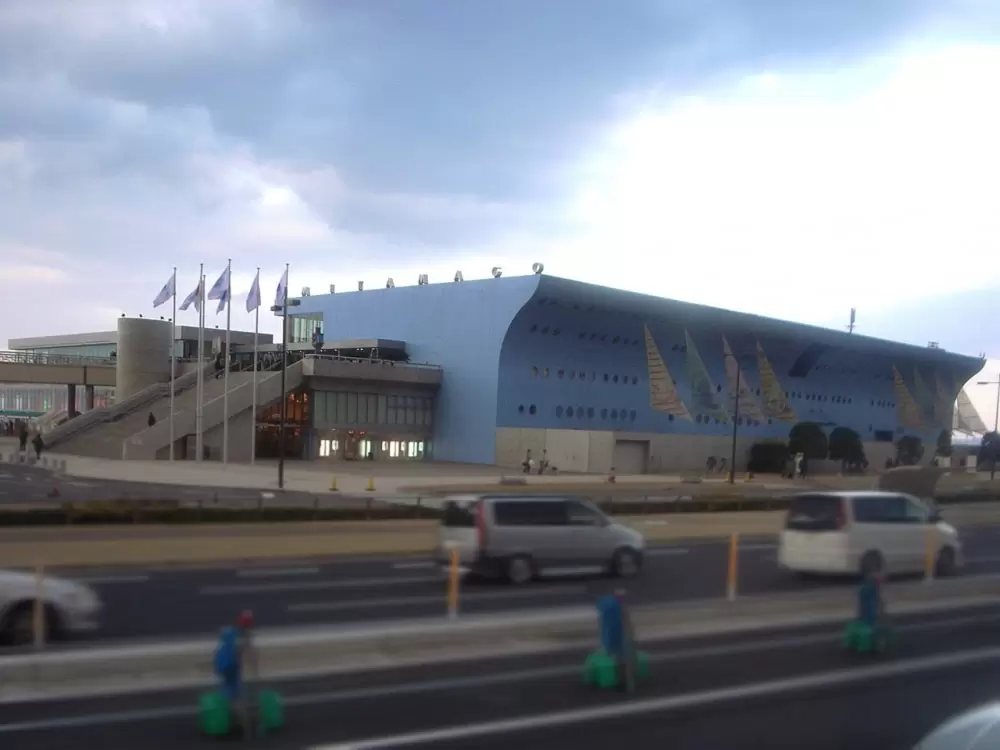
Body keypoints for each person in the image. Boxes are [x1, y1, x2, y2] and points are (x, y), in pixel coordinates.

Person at [213, 610, 258, 735]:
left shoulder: (229, 630)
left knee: (228, 691)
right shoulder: (243, 635)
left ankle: (227, 718)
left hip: (220, 663)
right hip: (231, 665)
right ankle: (244, 727)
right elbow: (245, 652)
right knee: (238, 695)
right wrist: (254, 668)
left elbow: (221, 639)